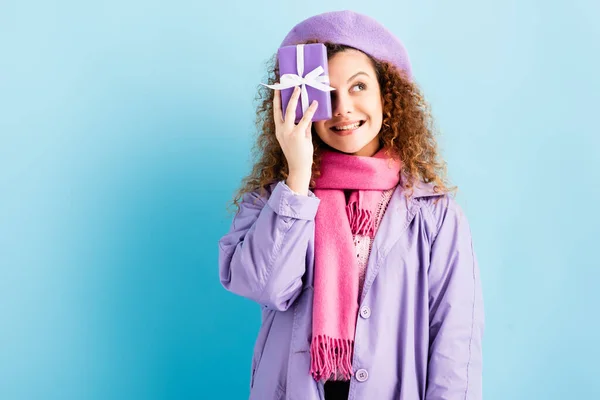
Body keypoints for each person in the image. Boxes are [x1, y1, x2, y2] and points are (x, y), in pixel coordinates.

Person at [218, 10, 484, 400]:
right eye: (326, 92)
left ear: (386, 96)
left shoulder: (434, 214)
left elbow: (455, 342)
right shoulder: (275, 199)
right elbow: (265, 287)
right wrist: (297, 177)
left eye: (358, 87)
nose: (342, 107)